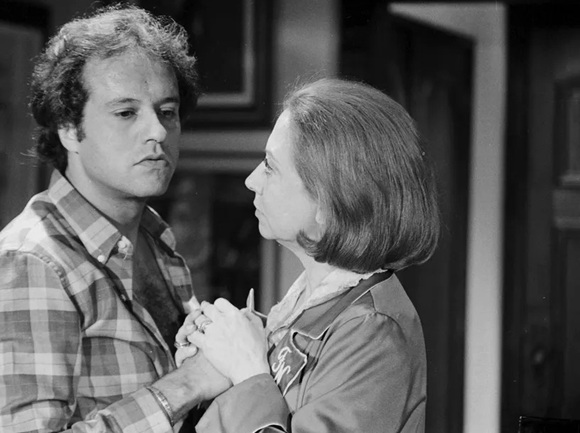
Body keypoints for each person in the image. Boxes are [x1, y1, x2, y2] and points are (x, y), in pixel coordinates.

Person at [0, 5, 230, 433]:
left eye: (167, 111)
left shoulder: (155, 242)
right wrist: (186, 384)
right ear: (68, 128)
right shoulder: (31, 265)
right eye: (126, 113)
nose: (157, 132)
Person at [175, 78, 440, 432]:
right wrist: (213, 364)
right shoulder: (314, 311)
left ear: (329, 204)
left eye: (270, 166)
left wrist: (246, 368)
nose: (252, 180)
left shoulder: (372, 331)